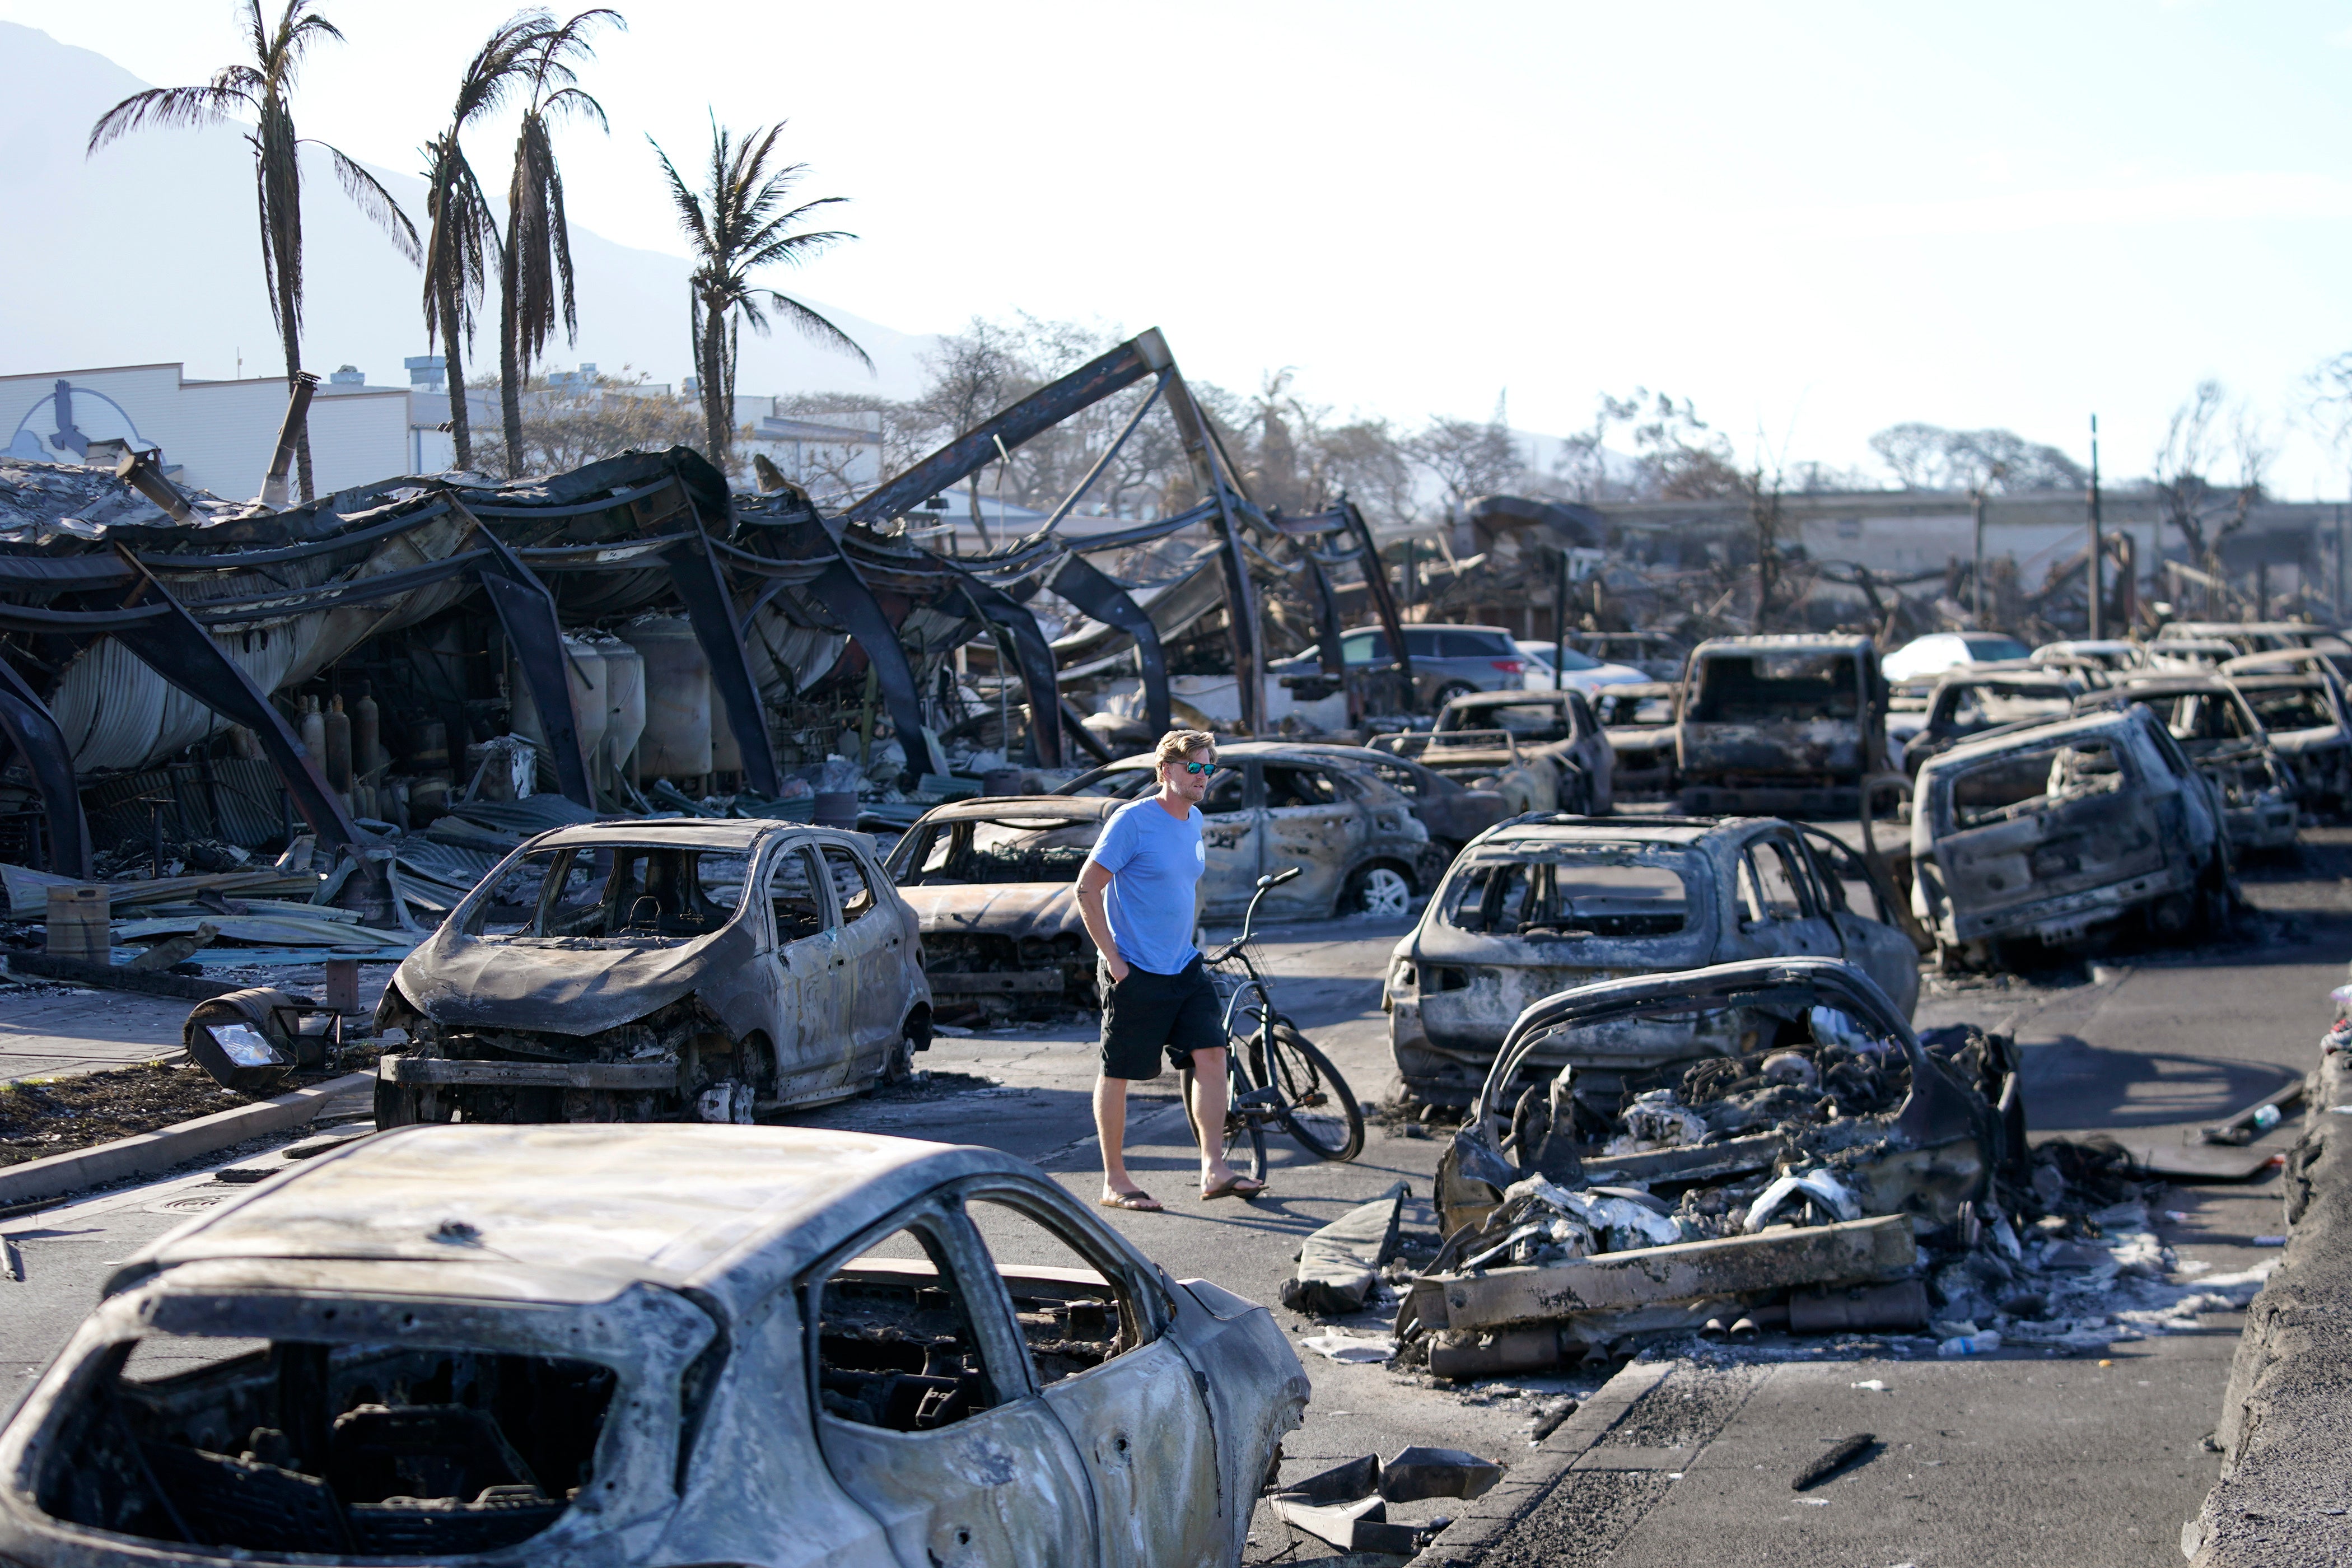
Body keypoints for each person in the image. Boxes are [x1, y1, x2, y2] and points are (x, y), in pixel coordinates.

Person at [1075, 729, 1267, 1210]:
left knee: (1212, 1055)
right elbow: (1086, 889)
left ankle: (1214, 1168)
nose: (1203, 777)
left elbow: (1180, 887)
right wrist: (1114, 961)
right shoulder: (1133, 821)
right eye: (1193, 768)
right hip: (1134, 968)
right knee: (1118, 1071)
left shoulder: (1194, 819)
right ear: (1165, 770)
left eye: (1208, 768)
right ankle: (1115, 1182)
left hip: (1183, 964)